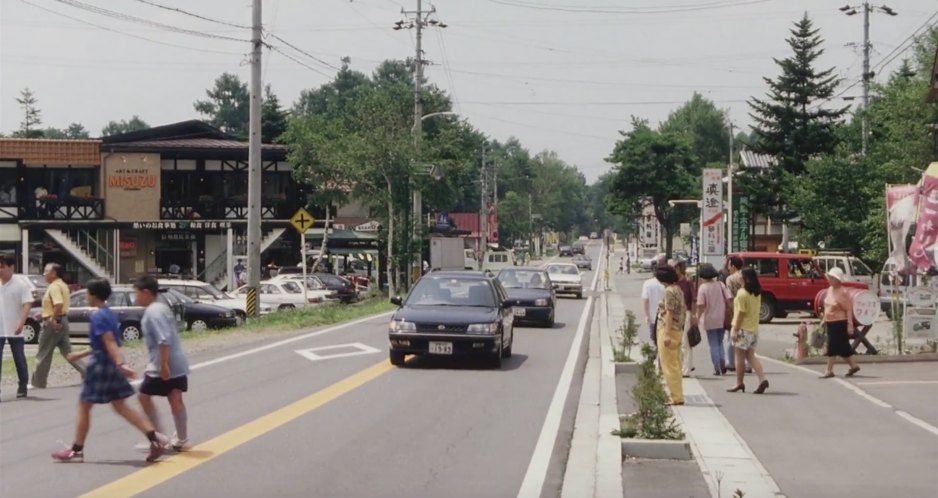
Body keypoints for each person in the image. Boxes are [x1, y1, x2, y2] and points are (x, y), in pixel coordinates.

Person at [52, 278, 167, 462]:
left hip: (100, 366)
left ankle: (77, 449)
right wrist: (81, 355)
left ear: (94, 295)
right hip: (109, 364)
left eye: (88, 293)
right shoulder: (108, 314)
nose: (87, 296)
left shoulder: (97, 316)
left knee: (84, 405)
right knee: (120, 406)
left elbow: (109, 342)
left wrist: (121, 364)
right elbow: (105, 343)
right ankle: (155, 438)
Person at [135, 276, 191, 452]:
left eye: (136, 292)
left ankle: (157, 437)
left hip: (162, 363)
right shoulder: (162, 307)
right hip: (178, 360)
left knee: (143, 396)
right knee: (175, 397)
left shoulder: (153, 312)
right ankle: (181, 438)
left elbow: (163, 339)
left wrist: (164, 365)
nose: (135, 297)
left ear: (145, 292)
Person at [32, 263, 86, 388]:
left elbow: (58, 304)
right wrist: (44, 313)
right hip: (63, 320)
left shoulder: (54, 287)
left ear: (54, 273)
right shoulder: (63, 285)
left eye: (46, 271)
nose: (44, 274)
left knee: (43, 352)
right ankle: (88, 373)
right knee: (68, 352)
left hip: (54, 322)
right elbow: (57, 305)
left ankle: (38, 383)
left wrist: (51, 318)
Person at [727, 268, 769, 394]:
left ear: (746, 279)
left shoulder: (742, 293)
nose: (739, 277)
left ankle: (739, 382)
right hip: (754, 329)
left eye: (741, 275)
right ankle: (762, 378)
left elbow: (740, 313)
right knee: (751, 356)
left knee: (739, 356)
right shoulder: (756, 293)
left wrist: (735, 329)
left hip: (742, 329)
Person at [819, 267, 861, 379]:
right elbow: (827, 306)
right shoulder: (829, 290)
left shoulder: (843, 291)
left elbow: (848, 309)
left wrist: (850, 324)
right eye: (830, 277)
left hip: (839, 322)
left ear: (838, 280)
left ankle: (829, 370)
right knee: (843, 347)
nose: (830, 280)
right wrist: (824, 320)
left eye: (832, 278)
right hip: (830, 321)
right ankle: (854, 365)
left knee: (832, 346)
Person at [0, 254, 32, 400]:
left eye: (2, 267)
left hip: (15, 326)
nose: (0, 270)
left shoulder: (20, 284)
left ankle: (23, 385)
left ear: (11, 267)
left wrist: (21, 322)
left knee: (19, 357)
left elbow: (27, 303)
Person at [655, 265, 686, 405]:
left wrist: (666, 334)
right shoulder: (678, 289)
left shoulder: (668, 291)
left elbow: (669, 312)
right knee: (675, 363)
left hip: (669, 330)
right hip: (678, 329)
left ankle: (676, 396)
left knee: (669, 365)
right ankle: (677, 393)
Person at [696, 263, 731, 376]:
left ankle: (717, 367)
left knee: (713, 344)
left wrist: (697, 317)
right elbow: (729, 298)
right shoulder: (720, 284)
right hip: (721, 318)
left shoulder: (703, 288)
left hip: (709, 318)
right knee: (720, 342)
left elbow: (701, 305)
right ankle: (722, 363)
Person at [724, 256, 751, 373]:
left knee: (732, 336)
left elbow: (729, 297)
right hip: (749, 309)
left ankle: (730, 362)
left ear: (733, 266)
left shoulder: (730, 279)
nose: (728, 268)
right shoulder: (747, 277)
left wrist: (731, 310)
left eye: (729, 265)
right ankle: (747, 363)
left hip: (736, 308)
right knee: (746, 336)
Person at [674, 260, 696, 377]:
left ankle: (686, 369)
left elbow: (693, 299)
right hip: (675, 315)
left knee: (685, 342)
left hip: (686, 313)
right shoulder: (672, 283)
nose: (675, 271)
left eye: (676, 268)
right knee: (676, 342)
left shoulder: (687, 282)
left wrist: (693, 315)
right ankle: (680, 366)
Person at [641, 266, 666, 343]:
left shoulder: (647, 283)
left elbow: (645, 300)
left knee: (654, 338)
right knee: (662, 338)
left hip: (652, 317)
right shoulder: (666, 284)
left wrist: (646, 315)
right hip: (664, 317)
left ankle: (657, 352)